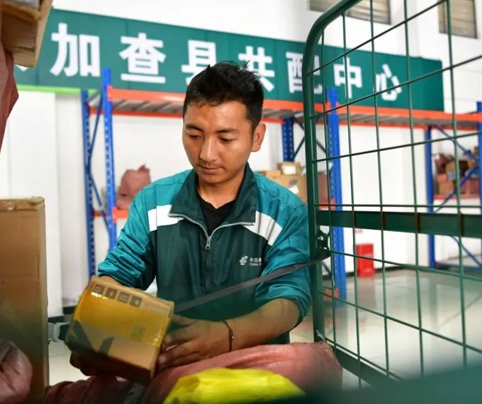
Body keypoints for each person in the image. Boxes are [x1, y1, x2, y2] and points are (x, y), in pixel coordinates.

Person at [81, 61, 310, 372]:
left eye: (225, 138)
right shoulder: (153, 202)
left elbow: (289, 299)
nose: (206, 154)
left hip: (258, 375)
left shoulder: (284, 210)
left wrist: (227, 335)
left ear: (256, 137)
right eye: (194, 134)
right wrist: (98, 327)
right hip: (176, 370)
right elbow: (119, 274)